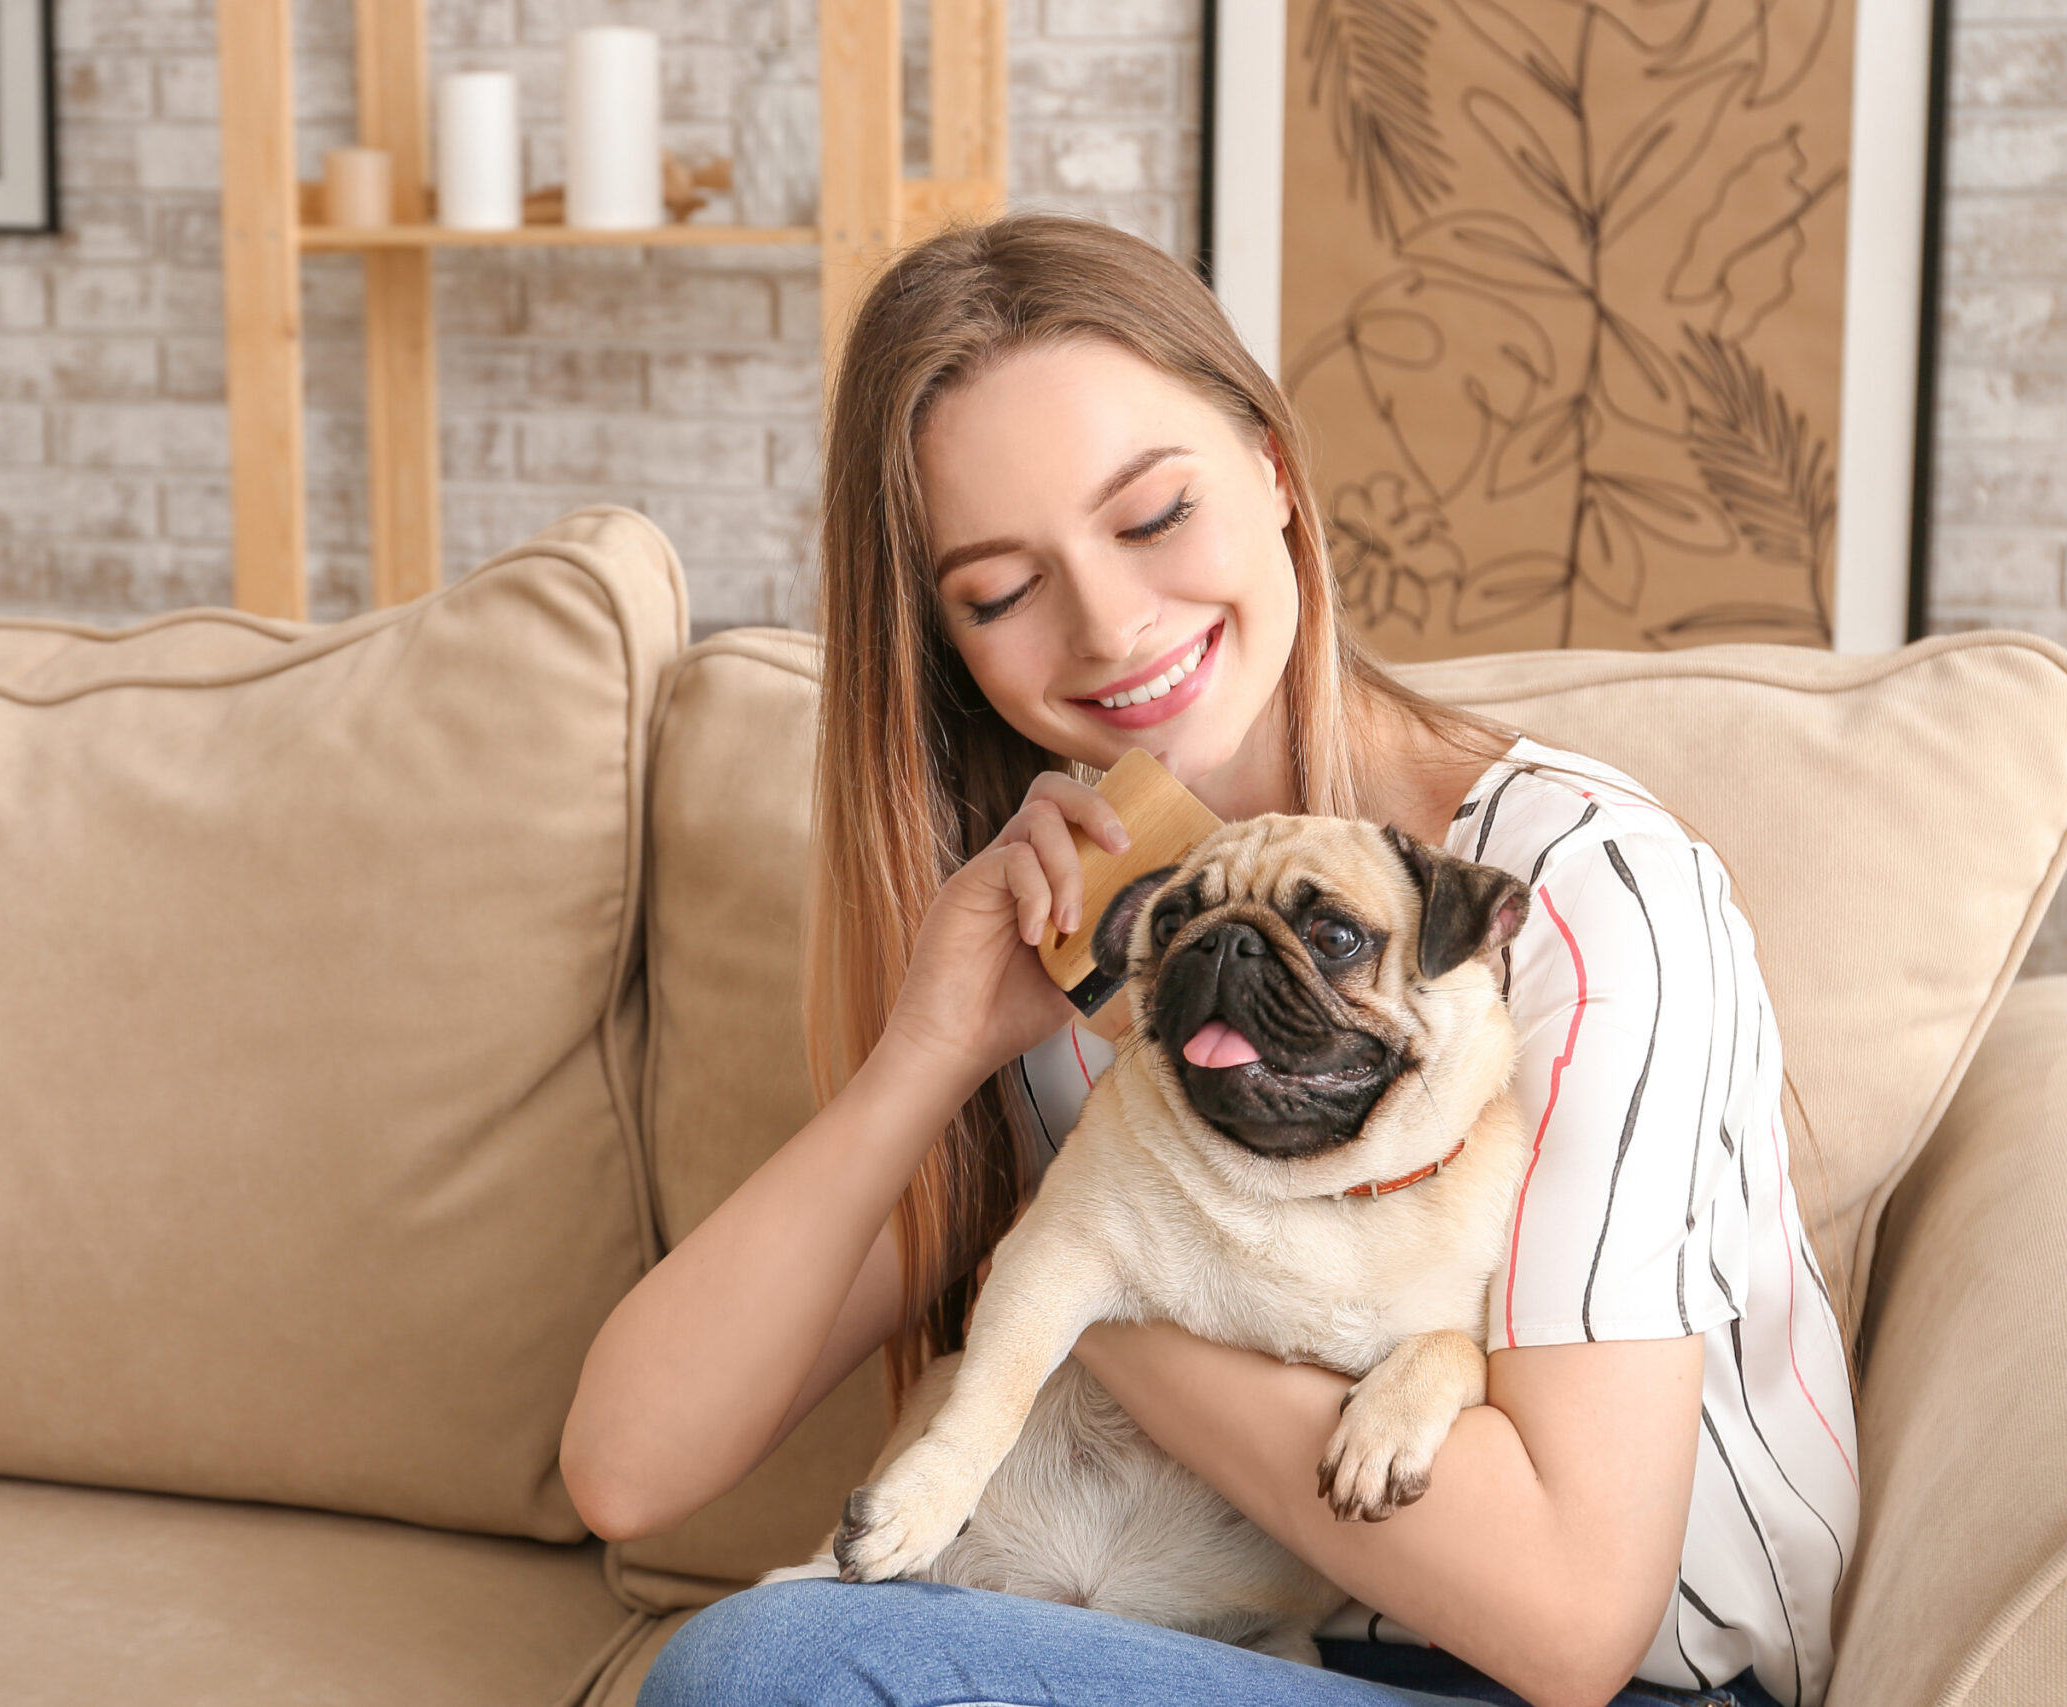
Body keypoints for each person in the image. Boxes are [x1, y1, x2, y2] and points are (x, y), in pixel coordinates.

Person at [558, 214, 1856, 1707]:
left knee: (771, 1677)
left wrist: (1077, 1283)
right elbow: (628, 1467)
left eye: (1155, 513)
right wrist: (932, 1054)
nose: (1111, 623)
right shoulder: (1066, 923)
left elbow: (1571, 1622)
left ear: (1275, 470)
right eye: (998, 591)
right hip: (1207, 1638)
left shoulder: (1576, 894)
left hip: (1600, 1686)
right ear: (947, 647)